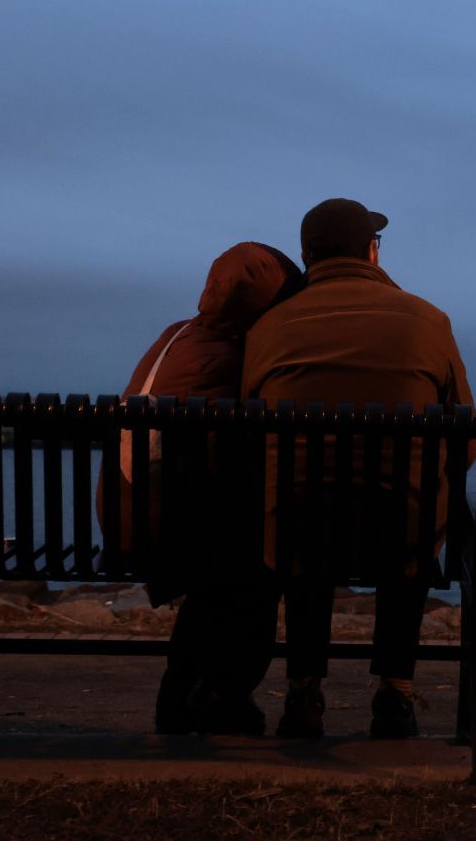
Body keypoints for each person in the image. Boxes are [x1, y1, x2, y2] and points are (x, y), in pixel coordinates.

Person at [241, 198, 476, 739]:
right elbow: (463, 441)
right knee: (411, 506)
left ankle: (304, 693)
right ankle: (394, 692)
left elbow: (251, 434)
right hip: (402, 534)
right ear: (372, 252)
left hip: (296, 535)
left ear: (306, 255)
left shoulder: (269, 328)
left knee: (300, 507)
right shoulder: (428, 321)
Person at [117, 241, 303, 737]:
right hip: (172, 526)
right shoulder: (240, 355)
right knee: (258, 564)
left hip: (128, 511)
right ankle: (222, 694)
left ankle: (186, 697)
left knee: (224, 571)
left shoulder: (176, 334)